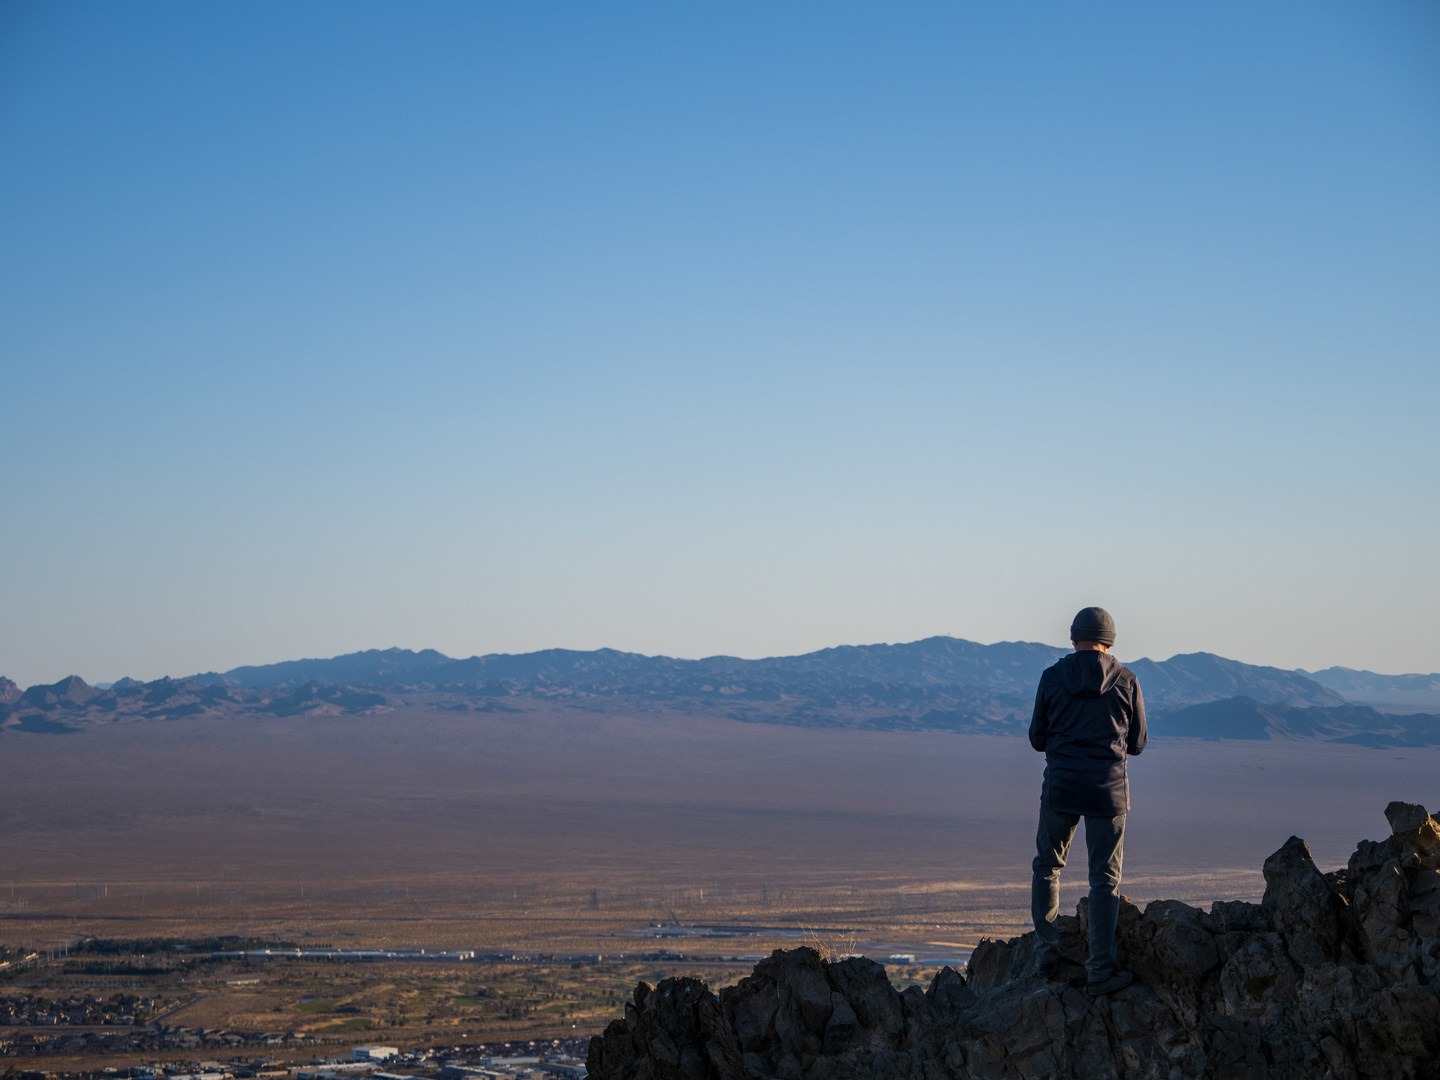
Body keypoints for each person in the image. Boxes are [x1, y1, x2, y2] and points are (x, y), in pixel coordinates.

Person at [1028, 606, 1147, 996]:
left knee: (1048, 867)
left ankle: (1046, 956)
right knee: (1104, 880)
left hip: (1061, 788)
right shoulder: (1127, 681)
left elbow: (1037, 738)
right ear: (1109, 640)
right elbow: (1139, 744)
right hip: (1108, 792)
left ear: (1073, 636)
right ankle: (1100, 970)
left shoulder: (1051, 678)